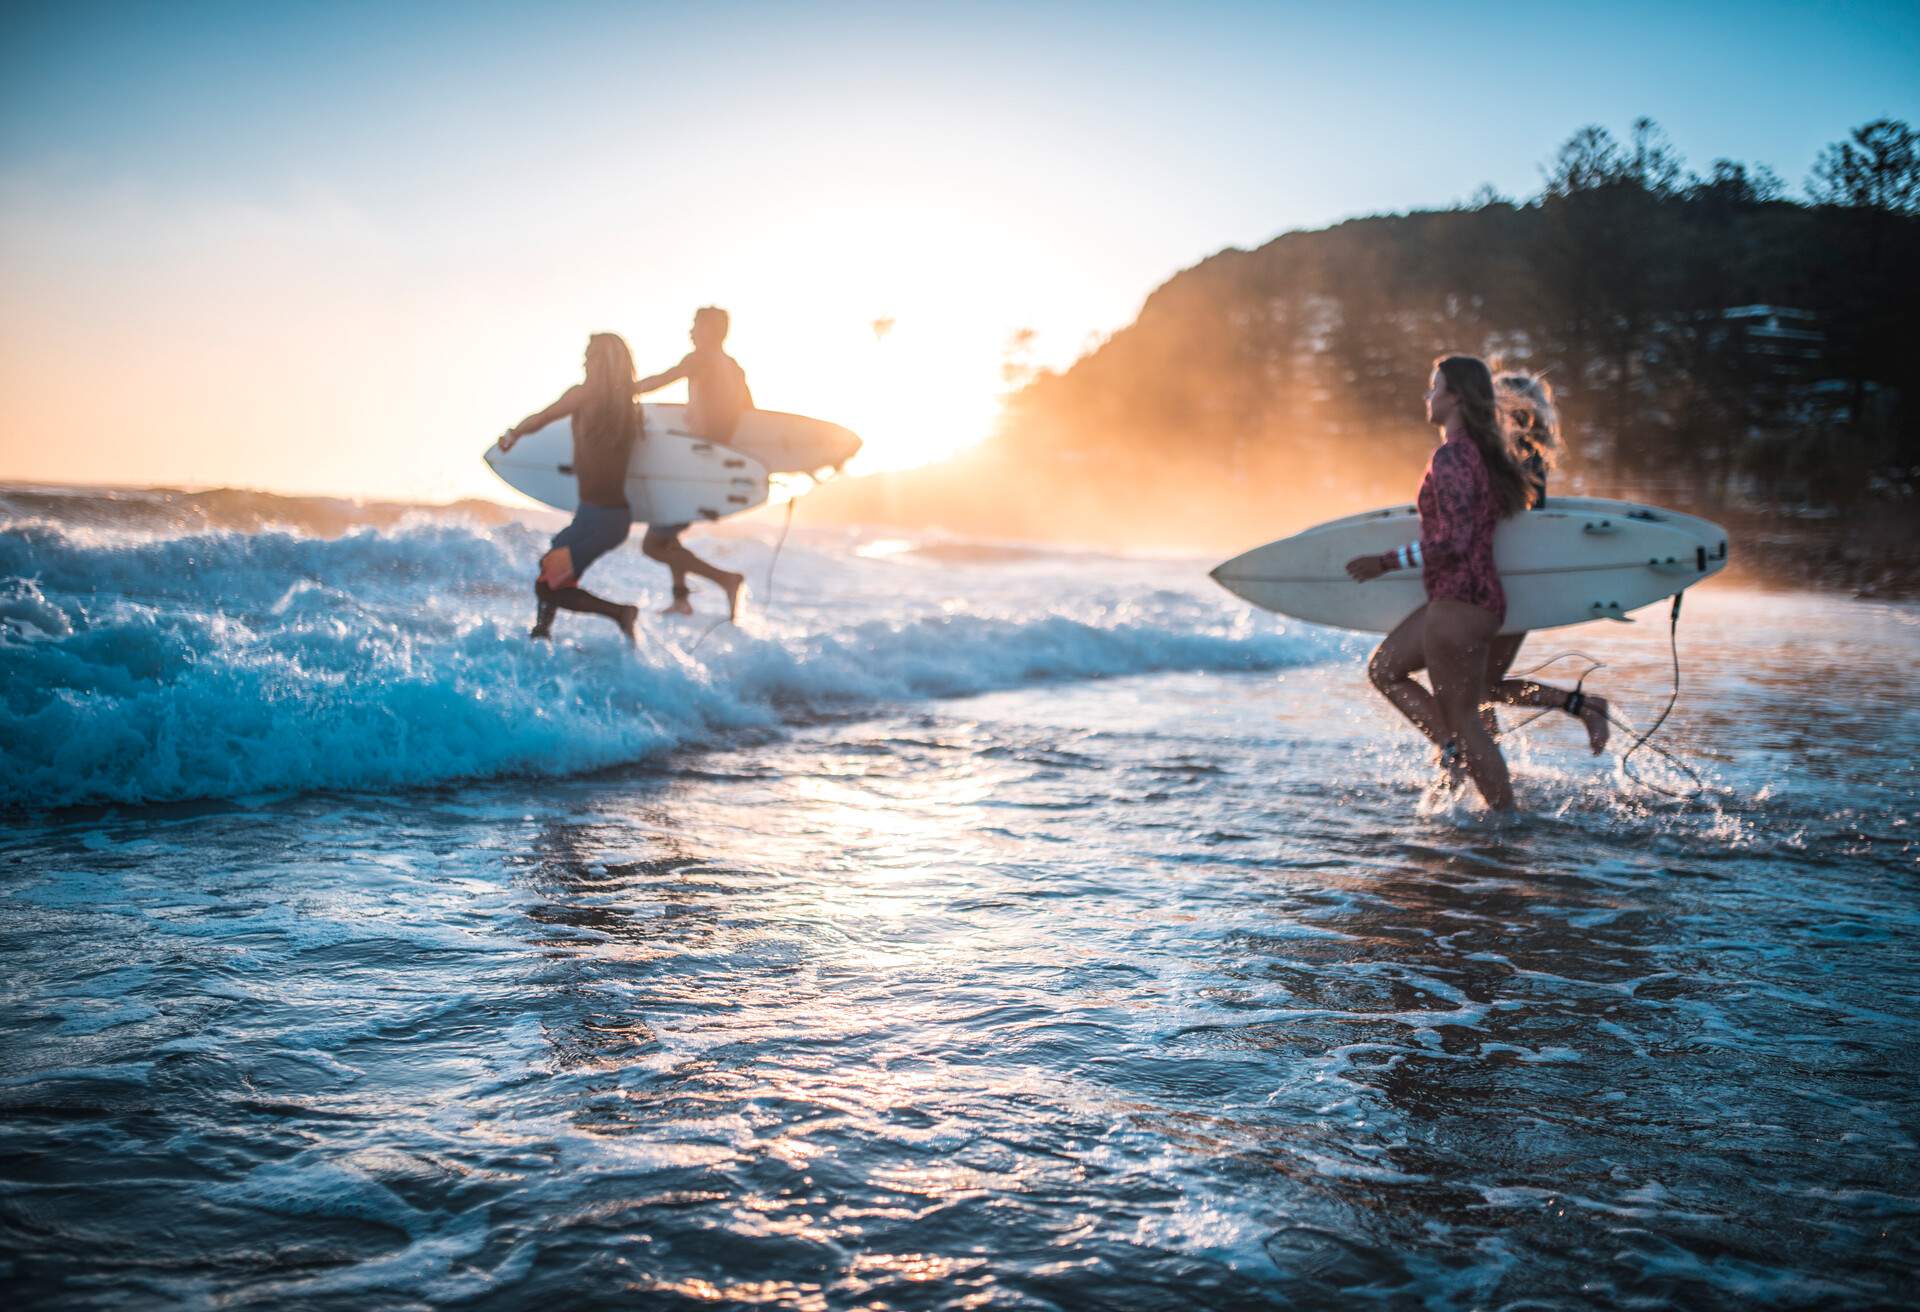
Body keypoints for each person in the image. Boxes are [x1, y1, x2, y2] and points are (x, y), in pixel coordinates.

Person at [1346, 356, 1528, 811]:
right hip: (1462, 600)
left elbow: (1455, 539)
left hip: (1460, 602)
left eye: (1435, 387)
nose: (1428, 397)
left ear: (1456, 397)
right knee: (1385, 669)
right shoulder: (1476, 454)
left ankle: (1507, 822)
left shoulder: (1453, 455)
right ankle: (1452, 752)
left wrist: (1385, 562)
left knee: (1467, 720)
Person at [1480, 372, 1610, 753]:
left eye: (1493, 403)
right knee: (1475, 686)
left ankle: (1585, 706)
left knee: (1477, 686)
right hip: (1501, 579)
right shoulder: (1514, 454)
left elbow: (1518, 524)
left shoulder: (1519, 457)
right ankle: (1479, 760)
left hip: (1509, 583)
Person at [499, 334, 642, 643]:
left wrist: (514, 434)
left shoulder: (585, 395)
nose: (584, 362)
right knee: (550, 570)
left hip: (602, 520)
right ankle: (542, 633)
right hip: (601, 516)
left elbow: (544, 416)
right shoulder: (626, 405)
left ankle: (620, 614)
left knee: (547, 583)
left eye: (589, 356)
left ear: (601, 362)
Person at [632, 306, 751, 618]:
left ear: (712, 331)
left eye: (695, 325)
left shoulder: (700, 358)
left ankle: (726, 579)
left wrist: (619, 390)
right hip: (712, 465)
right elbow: (751, 416)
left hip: (696, 466)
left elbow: (660, 380)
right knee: (666, 535)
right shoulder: (733, 367)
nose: (690, 332)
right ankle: (681, 600)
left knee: (653, 545)